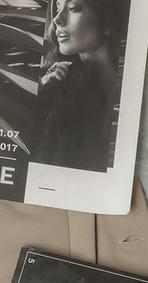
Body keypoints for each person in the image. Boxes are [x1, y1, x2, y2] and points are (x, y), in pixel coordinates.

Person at [34, 0, 129, 171]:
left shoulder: (133, 86)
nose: (57, 19)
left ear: (107, 21)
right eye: (57, 8)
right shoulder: (60, 87)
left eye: (73, 8)